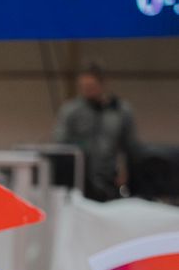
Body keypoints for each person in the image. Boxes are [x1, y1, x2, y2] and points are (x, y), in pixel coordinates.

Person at [53, 63, 139, 202]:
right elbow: (60, 144)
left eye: (91, 87)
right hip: (79, 179)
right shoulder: (71, 111)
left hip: (109, 177)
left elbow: (130, 146)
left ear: (103, 84)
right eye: (84, 87)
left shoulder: (121, 111)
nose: (87, 91)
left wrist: (126, 172)